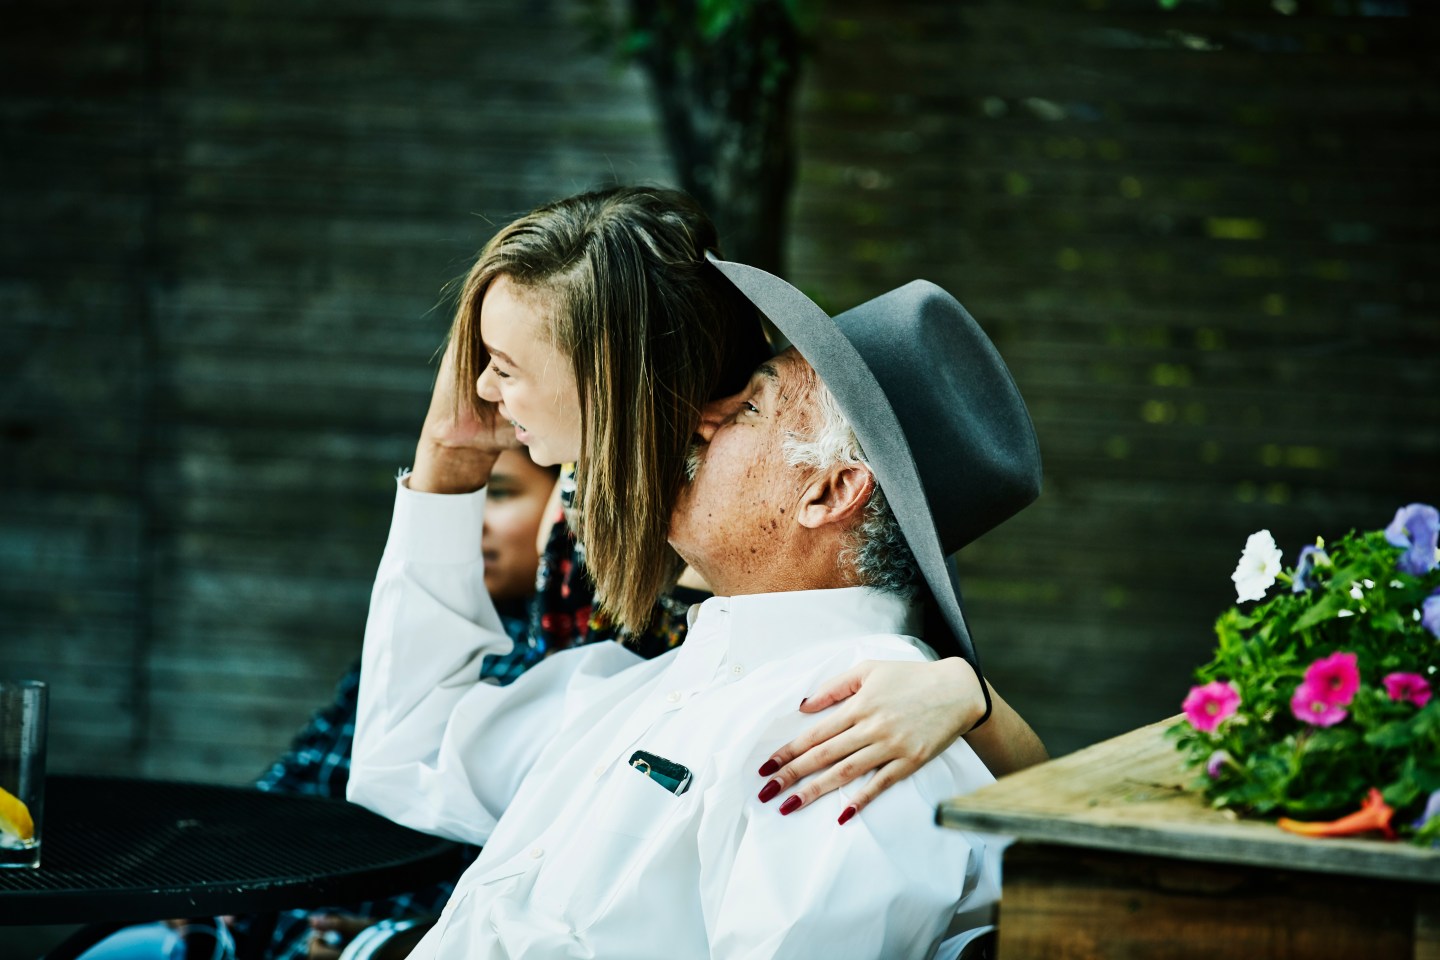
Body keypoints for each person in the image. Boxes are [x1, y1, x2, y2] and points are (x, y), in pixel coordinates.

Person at [348, 259, 1043, 958]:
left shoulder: (855, 732)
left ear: (830, 494)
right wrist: (448, 459)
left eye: (747, 406)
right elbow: (409, 751)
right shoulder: (660, 683)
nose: (698, 417)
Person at [412, 186, 1045, 821]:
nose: (479, 388)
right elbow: (483, 752)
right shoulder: (601, 505)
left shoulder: (840, 651)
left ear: (610, 380)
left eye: (504, 365)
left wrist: (969, 695)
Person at [76, 449, 560, 960]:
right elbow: (300, 775)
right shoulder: (418, 634)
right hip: (269, 919)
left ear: (567, 506)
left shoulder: (574, 667)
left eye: (500, 493)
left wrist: (392, 942)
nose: (467, 522)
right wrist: (207, 865)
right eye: (461, 495)